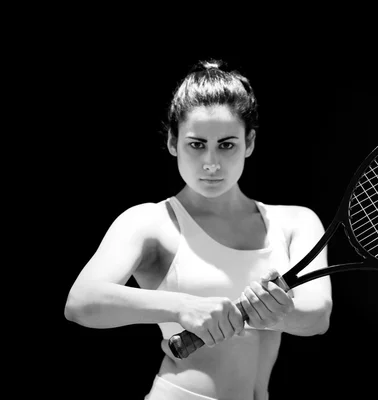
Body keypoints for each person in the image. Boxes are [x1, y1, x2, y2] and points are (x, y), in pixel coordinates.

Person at [64, 59, 333, 400]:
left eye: (226, 144)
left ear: (249, 142)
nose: (211, 163)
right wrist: (182, 306)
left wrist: (277, 313)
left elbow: (318, 317)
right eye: (196, 144)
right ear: (173, 143)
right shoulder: (150, 222)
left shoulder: (296, 222)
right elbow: (81, 302)